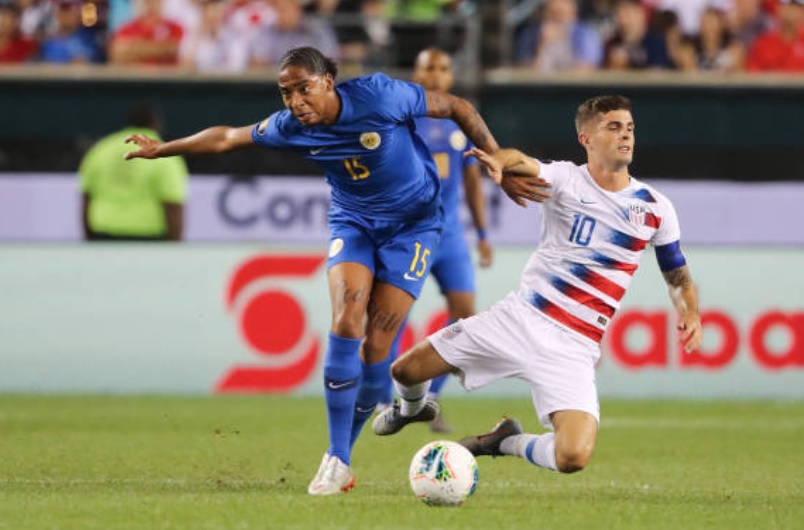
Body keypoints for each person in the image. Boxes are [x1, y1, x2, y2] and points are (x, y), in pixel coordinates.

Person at [123, 46, 547, 496]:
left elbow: (457, 106)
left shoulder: (382, 97)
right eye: (285, 92)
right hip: (355, 223)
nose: (294, 102)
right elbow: (227, 136)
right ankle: (338, 458)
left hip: (415, 227)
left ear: (328, 81)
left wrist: (498, 157)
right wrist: (162, 150)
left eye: (302, 88)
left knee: (377, 348)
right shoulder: (290, 127)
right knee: (346, 318)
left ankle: (411, 402)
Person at [372, 95, 703, 477]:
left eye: (629, 128)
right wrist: (499, 159)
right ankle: (412, 409)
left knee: (573, 457)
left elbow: (675, 269)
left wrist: (689, 310)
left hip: (574, 346)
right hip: (520, 319)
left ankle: (503, 442)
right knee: (405, 372)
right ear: (586, 139)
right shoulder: (566, 178)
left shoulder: (655, 207)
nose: (625, 135)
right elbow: (522, 160)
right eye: (613, 127)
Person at [379, 47, 493, 434]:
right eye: (429, 67)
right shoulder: (399, 118)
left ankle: (428, 397)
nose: (437, 75)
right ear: (416, 72)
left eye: (444, 68)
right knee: (392, 318)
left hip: (450, 235)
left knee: (465, 315)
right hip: (408, 233)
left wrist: (483, 234)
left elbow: (473, 181)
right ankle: (391, 398)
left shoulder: (461, 119)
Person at [80, 104, 188, 241]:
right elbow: (173, 204)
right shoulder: (165, 154)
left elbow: (86, 196)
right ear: (156, 123)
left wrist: (88, 238)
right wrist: (174, 244)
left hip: (103, 231)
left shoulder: (102, 149)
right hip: (147, 235)